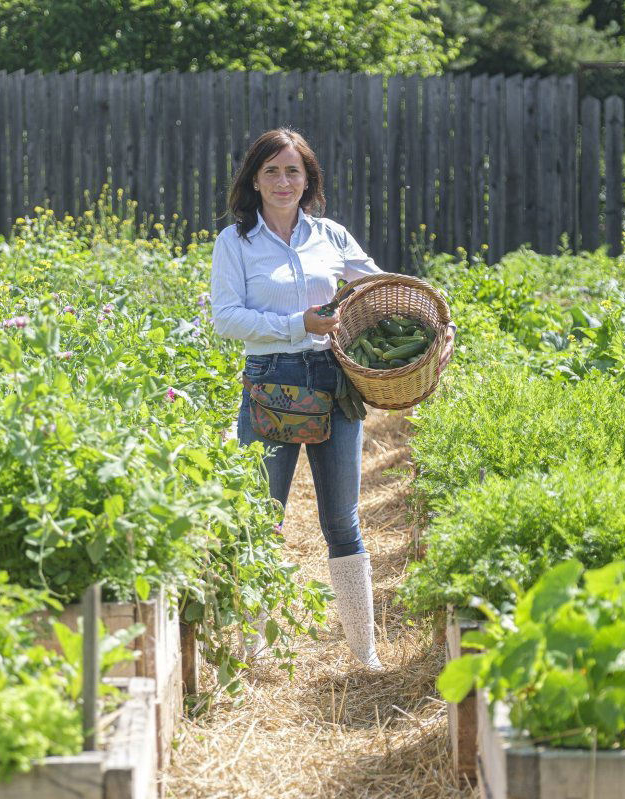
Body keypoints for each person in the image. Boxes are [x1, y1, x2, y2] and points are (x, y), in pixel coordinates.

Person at [209, 128, 453, 670]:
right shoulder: (235, 242)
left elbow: (381, 288)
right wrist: (297, 322)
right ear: (254, 179)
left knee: (341, 519)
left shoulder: (330, 236)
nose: (282, 181)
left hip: (332, 380)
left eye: (292, 171)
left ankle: (364, 654)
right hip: (270, 381)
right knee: (260, 517)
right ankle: (257, 649)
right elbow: (226, 317)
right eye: (271, 170)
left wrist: (434, 322)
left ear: (308, 179)